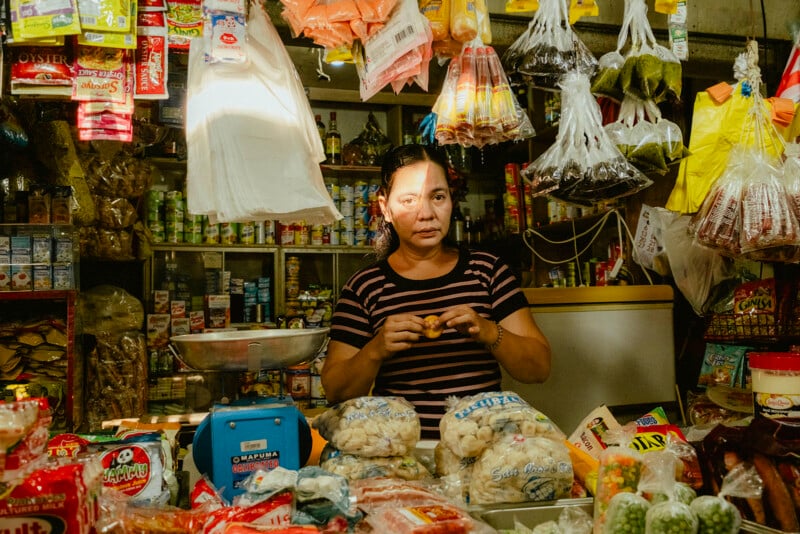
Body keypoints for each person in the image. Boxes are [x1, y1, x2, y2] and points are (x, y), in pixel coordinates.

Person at [322, 144, 551, 438]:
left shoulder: (488, 272)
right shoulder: (364, 288)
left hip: (478, 449)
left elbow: (539, 369)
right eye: (409, 200)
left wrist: (489, 332)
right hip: (399, 455)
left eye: (438, 197)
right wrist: (375, 349)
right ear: (385, 207)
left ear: (451, 200)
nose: (426, 214)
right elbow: (334, 391)